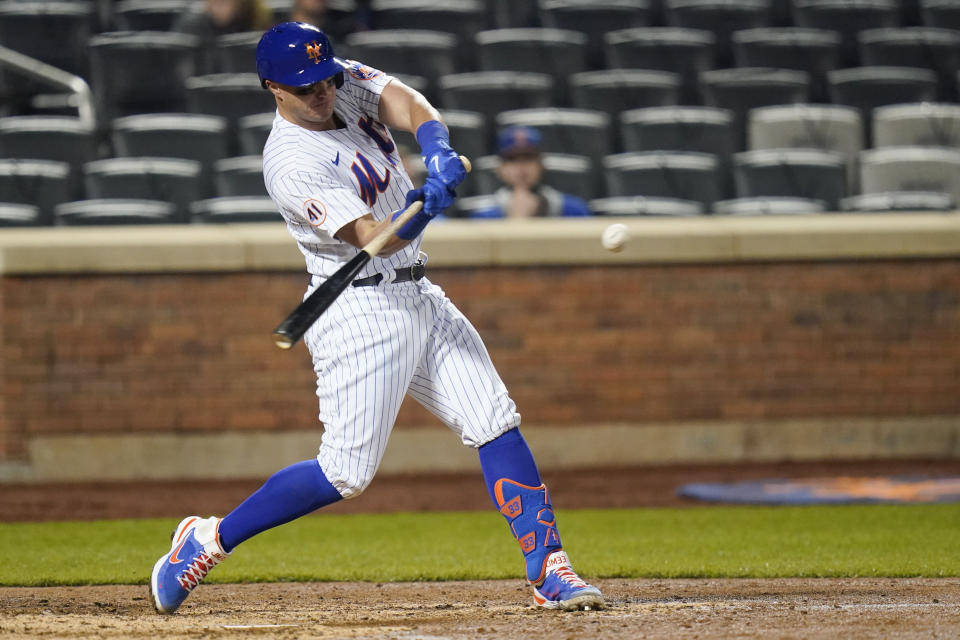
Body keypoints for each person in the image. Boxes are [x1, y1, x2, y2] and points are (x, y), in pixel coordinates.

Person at [148, 21, 603, 616]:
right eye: (305, 85)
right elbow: (372, 238)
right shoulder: (289, 162)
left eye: (325, 78)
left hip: (419, 292)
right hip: (361, 308)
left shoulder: (341, 81)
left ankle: (549, 569)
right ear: (273, 88)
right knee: (345, 472)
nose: (322, 92)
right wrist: (423, 209)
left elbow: (408, 103)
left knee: (494, 420)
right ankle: (206, 540)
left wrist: (436, 144)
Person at [470, 126, 592, 220]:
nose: (521, 168)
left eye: (529, 158)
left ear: (541, 164)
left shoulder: (574, 210)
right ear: (500, 168)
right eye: (512, 159)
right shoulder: (483, 216)